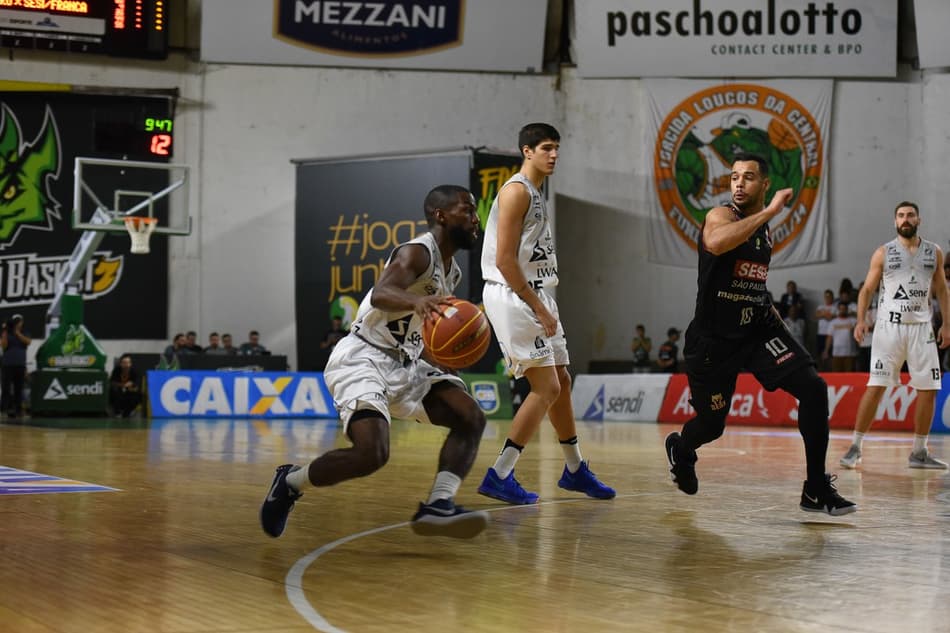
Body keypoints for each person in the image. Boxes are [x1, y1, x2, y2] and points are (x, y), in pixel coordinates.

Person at [260, 184, 490, 539]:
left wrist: (444, 357)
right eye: (467, 210)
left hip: (406, 363)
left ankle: (438, 505)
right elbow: (382, 293)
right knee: (372, 453)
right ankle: (290, 482)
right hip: (363, 357)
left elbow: (422, 329)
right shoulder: (417, 253)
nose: (476, 219)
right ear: (441, 215)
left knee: (470, 417)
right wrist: (415, 303)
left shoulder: (451, 271)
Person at [664, 153, 855, 516]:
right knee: (712, 425)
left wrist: (778, 322)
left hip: (756, 330)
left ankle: (815, 487)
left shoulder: (763, 231)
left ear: (764, 184)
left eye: (748, 177)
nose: (738, 183)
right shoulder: (721, 216)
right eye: (734, 176)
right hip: (713, 341)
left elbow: (753, 282)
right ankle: (683, 449)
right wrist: (768, 213)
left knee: (813, 388)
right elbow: (718, 243)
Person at [476, 122, 615, 505]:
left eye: (557, 148)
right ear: (527, 151)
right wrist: (538, 307)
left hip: (536, 293)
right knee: (547, 388)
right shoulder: (517, 192)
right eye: (546, 148)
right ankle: (500, 474)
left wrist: (542, 302)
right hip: (513, 295)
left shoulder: (536, 192)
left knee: (562, 382)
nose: (553, 155)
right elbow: (505, 260)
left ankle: (574, 469)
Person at [839, 201, 950, 470]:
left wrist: (947, 324)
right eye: (901, 216)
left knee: (928, 389)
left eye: (910, 215)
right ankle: (855, 447)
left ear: (918, 220)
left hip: (922, 328)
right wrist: (861, 320)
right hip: (889, 328)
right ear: (895, 221)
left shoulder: (933, 252)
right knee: (876, 386)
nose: (905, 219)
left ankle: (919, 452)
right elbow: (866, 290)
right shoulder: (883, 252)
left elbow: (942, 291)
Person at [0, 314, 31, 418]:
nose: (19, 324)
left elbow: (28, 341)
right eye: (17, 322)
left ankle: (18, 410)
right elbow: (3, 345)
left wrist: (17, 333)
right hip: (7, 365)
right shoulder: (7, 333)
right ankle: (5, 409)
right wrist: (4, 331)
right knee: (6, 388)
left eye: (20, 322)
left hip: (20, 365)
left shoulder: (24, 332)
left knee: (19, 388)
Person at [823, 301, 857, 371]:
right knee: (836, 375)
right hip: (836, 353)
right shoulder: (833, 322)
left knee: (849, 375)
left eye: (844, 309)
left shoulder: (853, 321)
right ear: (838, 310)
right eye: (841, 309)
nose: (843, 311)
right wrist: (826, 350)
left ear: (847, 310)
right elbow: (829, 337)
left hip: (850, 353)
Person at [814, 289, 836, 370]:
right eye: (826, 297)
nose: (828, 298)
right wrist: (826, 315)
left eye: (829, 296)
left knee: (829, 354)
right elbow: (816, 315)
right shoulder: (820, 307)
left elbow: (831, 317)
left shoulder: (835, 307)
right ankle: (821, 371)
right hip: (820, 334)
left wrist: (822, 314)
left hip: (830, 334)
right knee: (819, 354)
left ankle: (830, 371)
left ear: (832, 297)